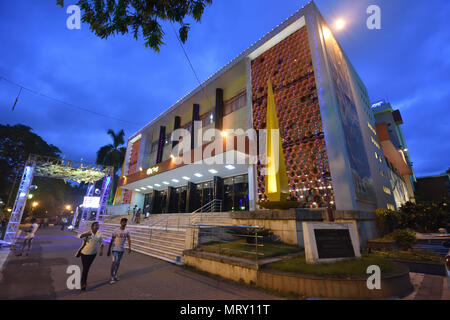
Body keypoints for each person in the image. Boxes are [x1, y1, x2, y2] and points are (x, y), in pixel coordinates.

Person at [77, 221, 104, 292]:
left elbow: (101, 243)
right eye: (96, 225)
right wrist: (85, 234)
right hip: (84, 253)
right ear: (92, 227)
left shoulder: (99, 234)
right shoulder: (88, 233)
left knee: (86, 268)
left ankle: (83, 282)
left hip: (93, 254)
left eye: (98, 226)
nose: (97, 227)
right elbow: (79, 236)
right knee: (86, 268)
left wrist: (101, 250)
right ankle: (83, 284)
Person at [107, 218, 131, 284]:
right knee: (114, 262)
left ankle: (115, 275)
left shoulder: (127, 231)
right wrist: (109, 249)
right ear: (120, 222)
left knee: (118, 263)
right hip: (115, 249)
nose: (124, 223)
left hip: (121, 249)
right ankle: (112, 277)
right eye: (123, 222)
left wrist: (129, 247)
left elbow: (129, 239)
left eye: (125, 222)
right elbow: (111, 240)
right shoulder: (116, 230)